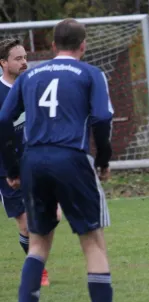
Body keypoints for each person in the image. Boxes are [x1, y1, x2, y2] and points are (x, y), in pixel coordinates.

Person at [0, 18, 115, 302]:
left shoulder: (30, 75)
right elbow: (102, 119)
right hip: (71, 158)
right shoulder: (90, 73)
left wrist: (13, 167)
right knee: (93, 242)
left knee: (37, 244)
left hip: (33, 161)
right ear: (83, 45)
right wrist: (104, 159)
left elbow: (4, 120)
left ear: (52, 45)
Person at [0, 39, 56, 287]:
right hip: (6, 168)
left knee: (52, 216)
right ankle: (38, 269)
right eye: (18, 58)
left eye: (25, 57)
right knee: (25, 224)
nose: (24, 62)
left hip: (37, 161)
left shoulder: (33, 86)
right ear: (3, 63)